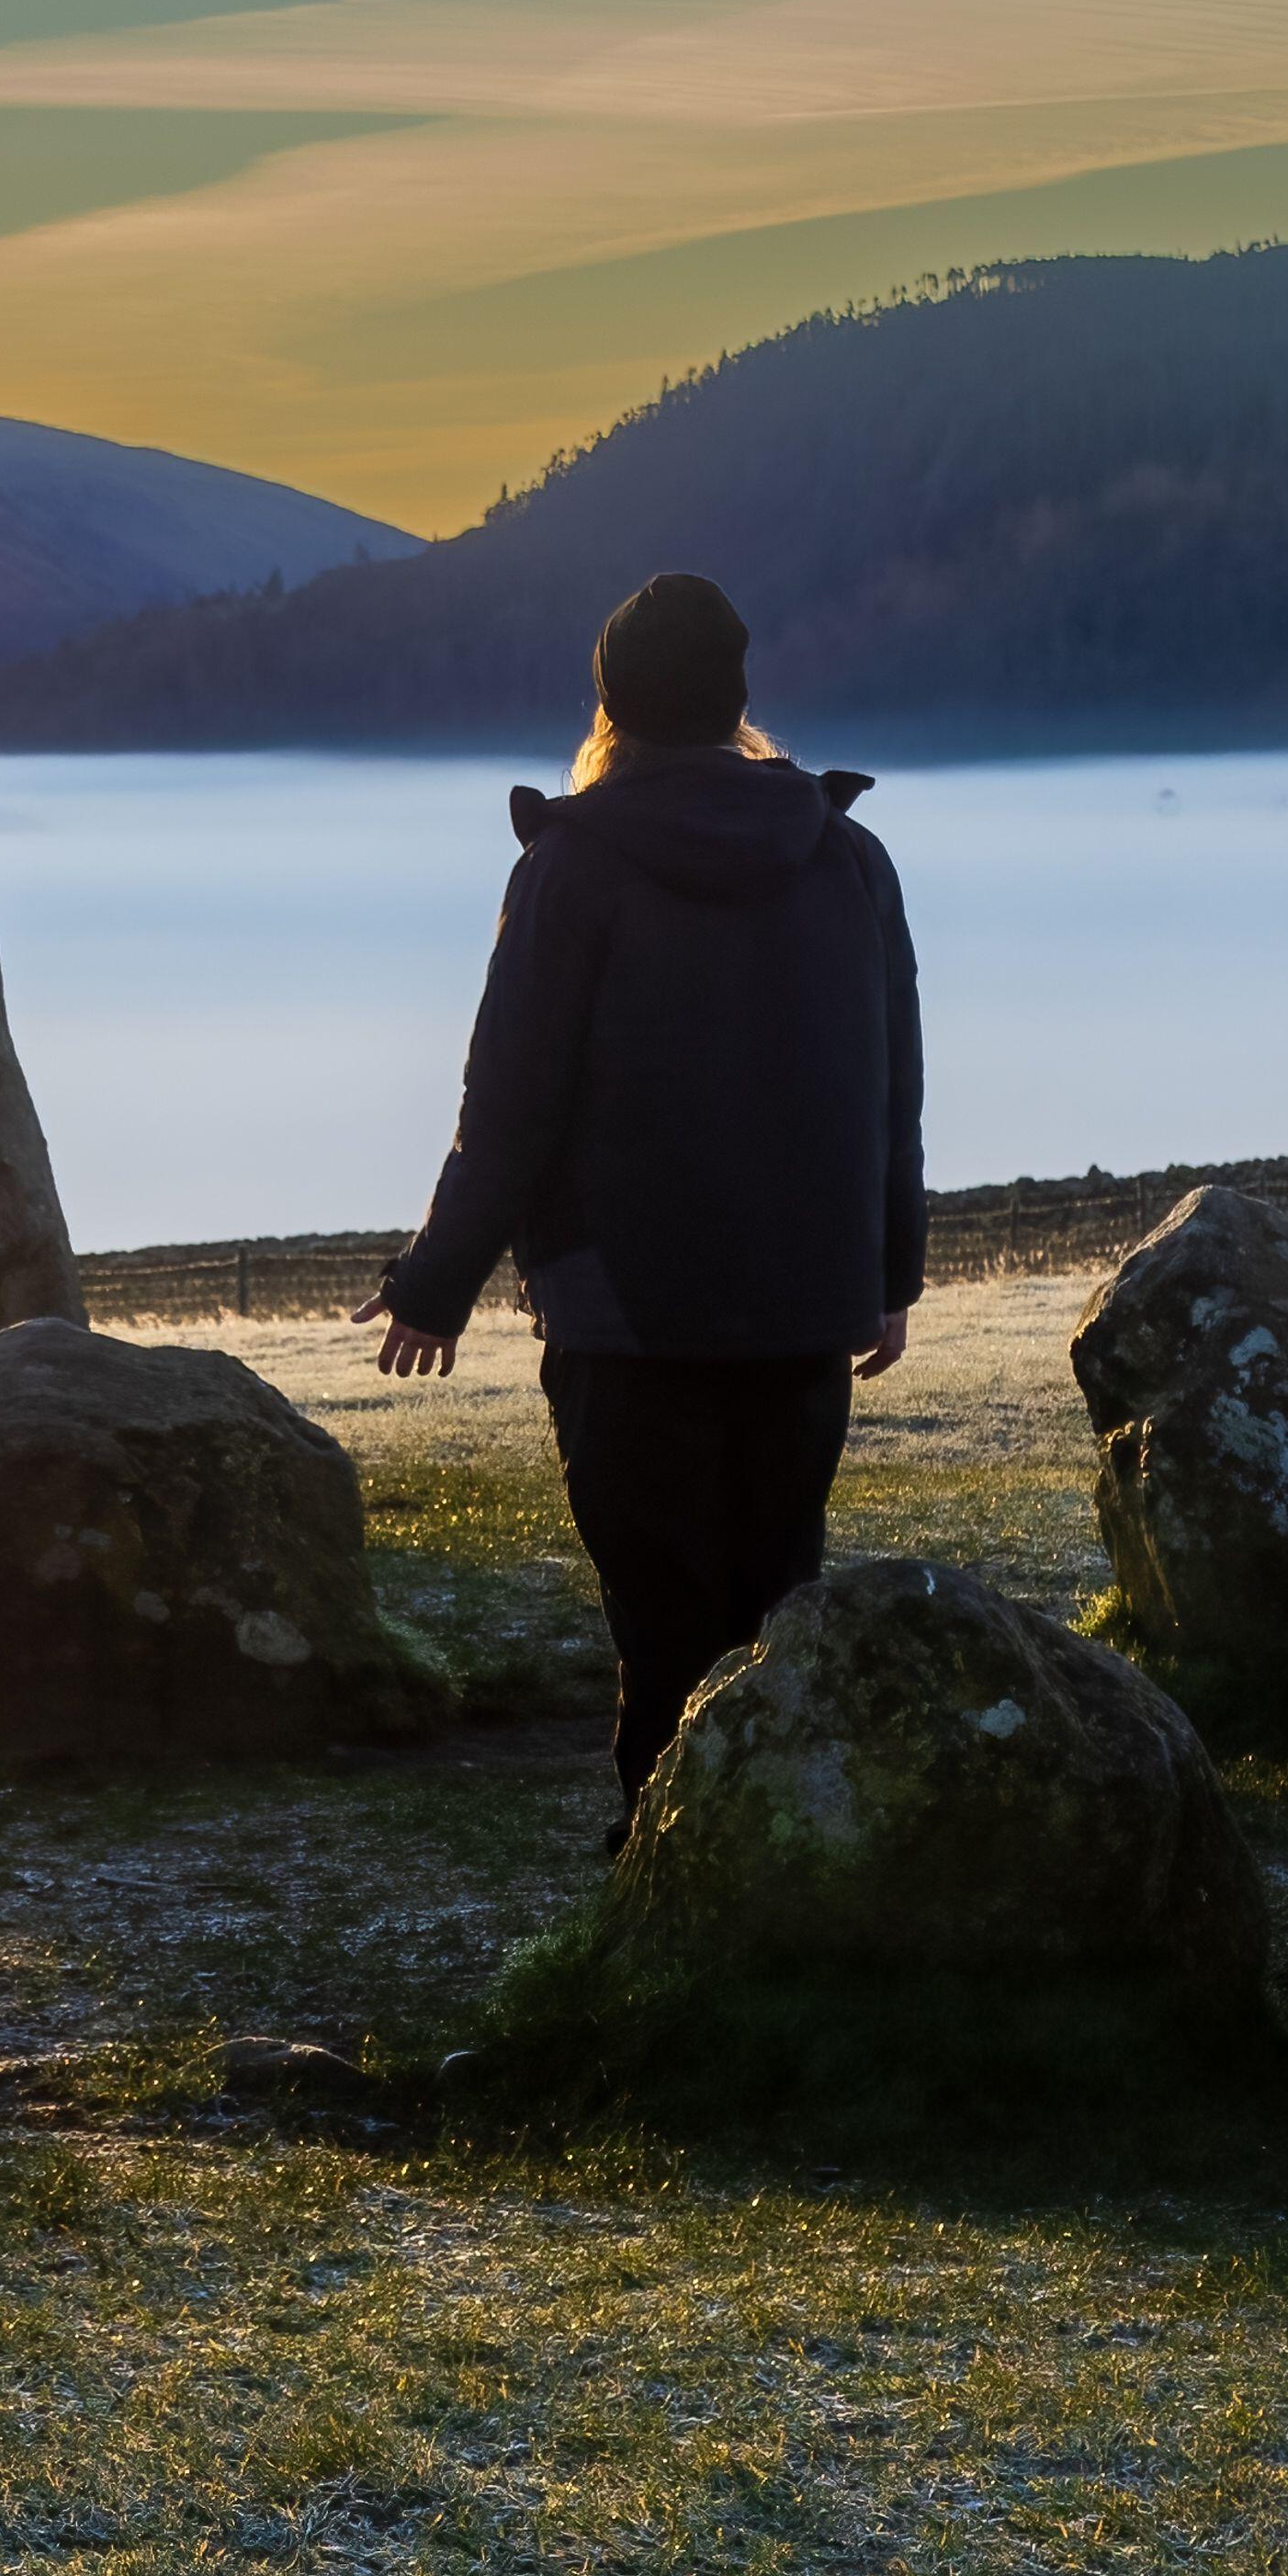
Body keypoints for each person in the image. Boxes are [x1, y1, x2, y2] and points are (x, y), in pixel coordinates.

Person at [367, 571, 923, 1833]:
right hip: (804, 1301)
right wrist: (890, 1273)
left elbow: (510, 1097)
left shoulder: (574, 865)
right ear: (739, 694)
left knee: (663, 1626)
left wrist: (435, 1283)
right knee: (777, 1603)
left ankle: (661, 1886)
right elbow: (894, 1084)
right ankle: (771, 1873)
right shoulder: (847, 857)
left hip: (626, 1310)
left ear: (611, 699)